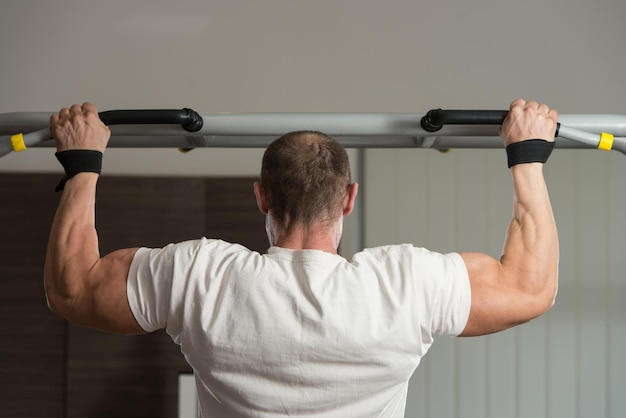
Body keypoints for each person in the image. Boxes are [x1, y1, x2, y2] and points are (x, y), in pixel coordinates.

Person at [44, 99, 559, 417]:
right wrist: (528, 157)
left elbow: (73, 288)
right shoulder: (404, 285)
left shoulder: (201, 275)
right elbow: (529, 288)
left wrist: (83, 162)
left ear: (262, 197)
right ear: (349, 198)